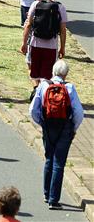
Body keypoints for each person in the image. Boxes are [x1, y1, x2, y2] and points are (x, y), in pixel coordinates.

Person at [29, 59, 84, 209]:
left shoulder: (43, 86)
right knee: (59, 163)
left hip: (48, 126)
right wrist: (73, 128)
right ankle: (54, 199)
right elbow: (79, 113)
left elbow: (33, 110)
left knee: (49, 158)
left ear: (53, 72)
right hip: (65, 127)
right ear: (66, 74)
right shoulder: (70, 88)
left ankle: (46, 194)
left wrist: (41, 122)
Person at [21, 0, 67, 87]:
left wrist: (24, 43)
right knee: (47, 74)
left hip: (35, 43)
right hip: (51, 46)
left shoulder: (36, 4)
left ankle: (37, 90)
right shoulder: (60, 7)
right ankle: (44, 93)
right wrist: (62, 48)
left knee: (34, 72)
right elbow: (63, 30)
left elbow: (28, 25)